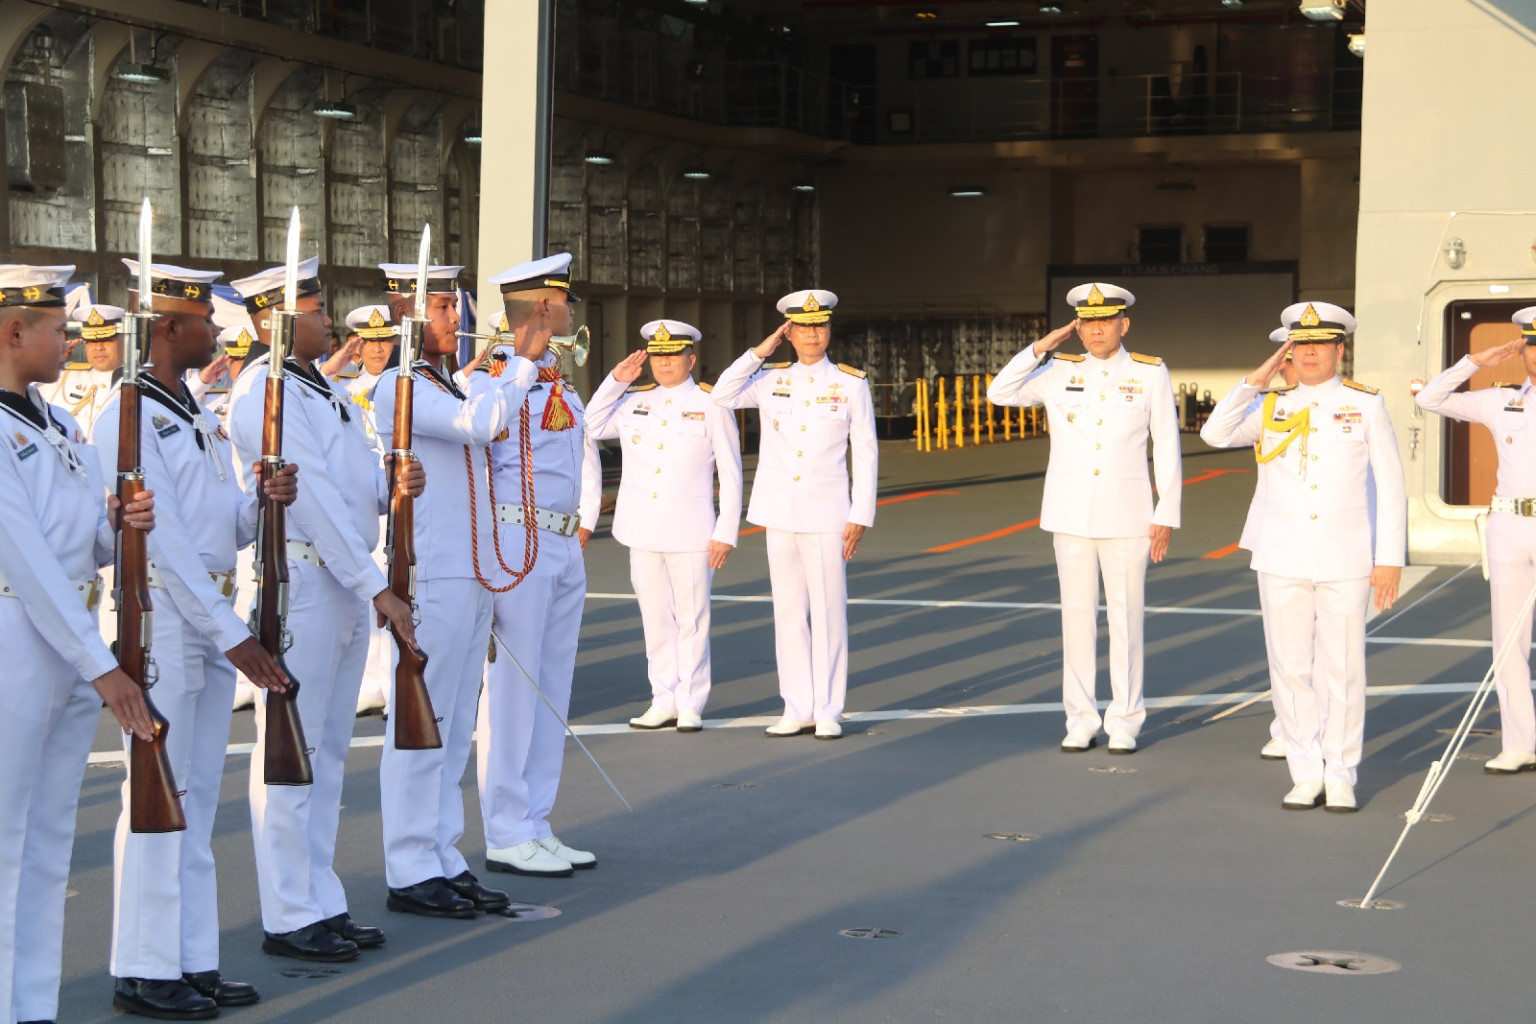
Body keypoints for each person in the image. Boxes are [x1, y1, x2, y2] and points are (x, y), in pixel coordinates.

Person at [96, 261, 297, 1019]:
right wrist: (232, 632)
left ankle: (190, 957)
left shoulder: (192, 408)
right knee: (158, 794)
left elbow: (221, 527)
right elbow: (162, 540)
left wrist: (261, 501)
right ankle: (144, 967)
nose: (218, 331)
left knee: (197, 797)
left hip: (209, 613)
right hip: (167, 619)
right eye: (206, 320)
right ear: (169, 326)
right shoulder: (127, 412)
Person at [227, 258, 424, 963]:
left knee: (328, 754)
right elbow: (307, 500)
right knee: (291, 751)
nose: (329, 320)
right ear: (274, 321)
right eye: (314, 311)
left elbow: (353, 486)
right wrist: (376, 587)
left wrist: (393, 479)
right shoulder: (264, 391)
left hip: (340, 581)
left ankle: (320, 898)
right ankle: (288, 913)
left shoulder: (326, 389)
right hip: (304, 581)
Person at [0, 264, 157, 1024]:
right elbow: (25, 560)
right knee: (5, 840)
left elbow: (82, 541)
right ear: (13, 331)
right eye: (59, 331)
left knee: (48, 838)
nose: (70, 343)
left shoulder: (57, 423)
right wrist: (103, 668)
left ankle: (31, 1006)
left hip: (67, 636)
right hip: (17, 639)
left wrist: (119, 525)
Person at [371, 261, 540, 918]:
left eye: (453, 305)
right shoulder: (400, 385)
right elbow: (480, 425)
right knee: (421, 724)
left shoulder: (444, 383)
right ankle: (410, 867)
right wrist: (520, 362)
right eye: (443, 308)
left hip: (468, 575)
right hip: (431, 577)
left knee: (454, 724)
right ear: (410, 317)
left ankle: (441, 855)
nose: (456, 318)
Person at [1201, 301, 1406, 812]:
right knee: (1289, 668)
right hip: (1282, 554)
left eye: (1320, 343)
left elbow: (1391, 485)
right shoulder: (1269, 404)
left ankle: (1341, 773)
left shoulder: (1365, 404)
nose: (1310, 353)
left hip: (1346, 555)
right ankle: (1305, 772)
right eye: (1300, 344)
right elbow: (1214, 433)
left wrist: (1389, 557)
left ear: (1340, 349)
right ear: (1288, 351)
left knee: (1343, 670)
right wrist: (1257, 378)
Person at [986, 283, 1182, 755]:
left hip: (1128, 515)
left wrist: (1166, 512)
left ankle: (1125, 720)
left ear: (1123, 325)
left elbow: (1166, 444)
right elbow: (999, 392)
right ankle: (1080, 718)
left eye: (1106, 321)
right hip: (1070, 513)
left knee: (1126, 619)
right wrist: (1040, 347)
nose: (1096, 330)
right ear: (1077, 327)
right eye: (1088, 322)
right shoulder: (1057, 370)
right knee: (1076, 618)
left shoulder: (1149, 372)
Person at [474, 254, 602, 877]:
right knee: (513, 694)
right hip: (517, 541)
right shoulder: (495, 374)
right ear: (545, 308)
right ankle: (505, 829)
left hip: (561, 541)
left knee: (551, 689)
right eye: (565, 302)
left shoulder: (558, 377)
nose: (572, 311)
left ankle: (536, 821)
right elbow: (482, 439)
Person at [711, 289, 878, 740]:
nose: (812, 334)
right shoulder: (769, 378)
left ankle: (828, 709)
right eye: (802, 328)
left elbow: (865, 451)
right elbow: (722, 394)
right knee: (787, 611)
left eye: (819, 326)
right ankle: (796, 706)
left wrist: (860, 513)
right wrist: (758, 352)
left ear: (829, 330)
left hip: (827, 513)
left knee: (828, 612)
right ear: (789, 333)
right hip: (779, 511)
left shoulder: (850, 383)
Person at [586, 320, 742, 732]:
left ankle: (690, 701)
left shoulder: (712, 404)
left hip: (692, 530)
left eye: (673, 355)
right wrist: (616, 381)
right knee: (655, 619)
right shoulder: (633, 400)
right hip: (641, 528)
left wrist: (725, 530)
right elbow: (591, 425)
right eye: (658, 356)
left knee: (691, 619)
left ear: (692, 359)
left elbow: (731, 472)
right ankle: (663, 698)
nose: (665, 362)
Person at [1414, 309, 1536, 775]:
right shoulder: (1500, 400)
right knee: (1508, 642)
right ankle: (1519, 744)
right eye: (1533, 346)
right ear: (1522, 350)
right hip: (1509, 526)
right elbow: (1430, 399)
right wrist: (1473, 362)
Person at [333, 305, 401, 717]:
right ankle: (370, 683)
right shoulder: (342, 390)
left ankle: (394, 684)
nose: (378, 349)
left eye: (385, 340)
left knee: (396, 592)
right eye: (371, 342)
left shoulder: (404, 383)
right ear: (357, 346)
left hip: (398, 497)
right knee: (366, 593)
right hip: (363, 499)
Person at [42, 296, 123, 440]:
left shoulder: (140, 382)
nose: (98, 347)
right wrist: (49, 359)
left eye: (107, 340)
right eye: (91, 341)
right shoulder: (63, 378)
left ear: (125, 340)